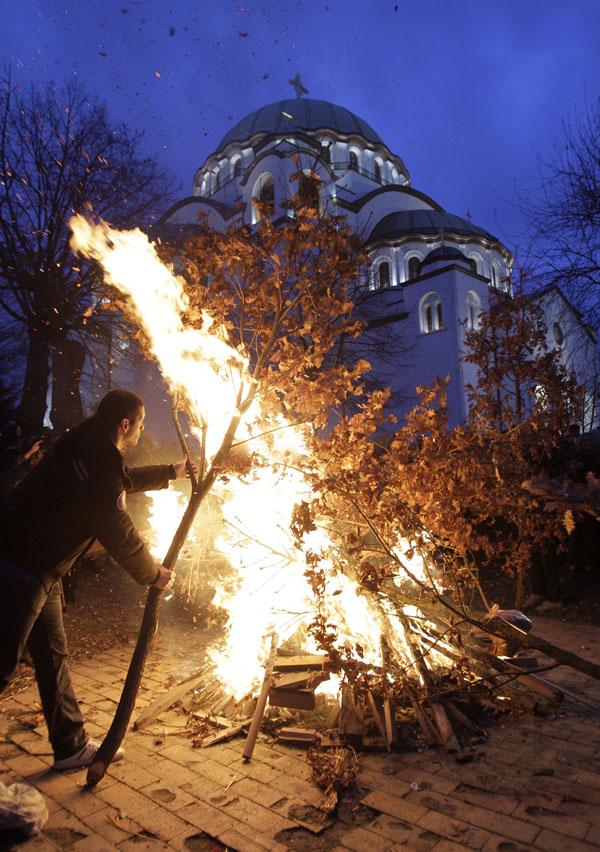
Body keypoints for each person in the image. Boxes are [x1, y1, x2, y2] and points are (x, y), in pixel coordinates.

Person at [0, 389, 192, 771]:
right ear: (125, 424)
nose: (141, 430)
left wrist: (168, 474)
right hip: (20, 567)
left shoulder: (87, 442)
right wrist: (154, 574)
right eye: (139, 424)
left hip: (40, 568)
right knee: (2, 663)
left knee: (52, 656)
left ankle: (70, 745)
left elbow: (113, 483)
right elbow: (117, 531)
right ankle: (69, 743)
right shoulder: (98, 459)